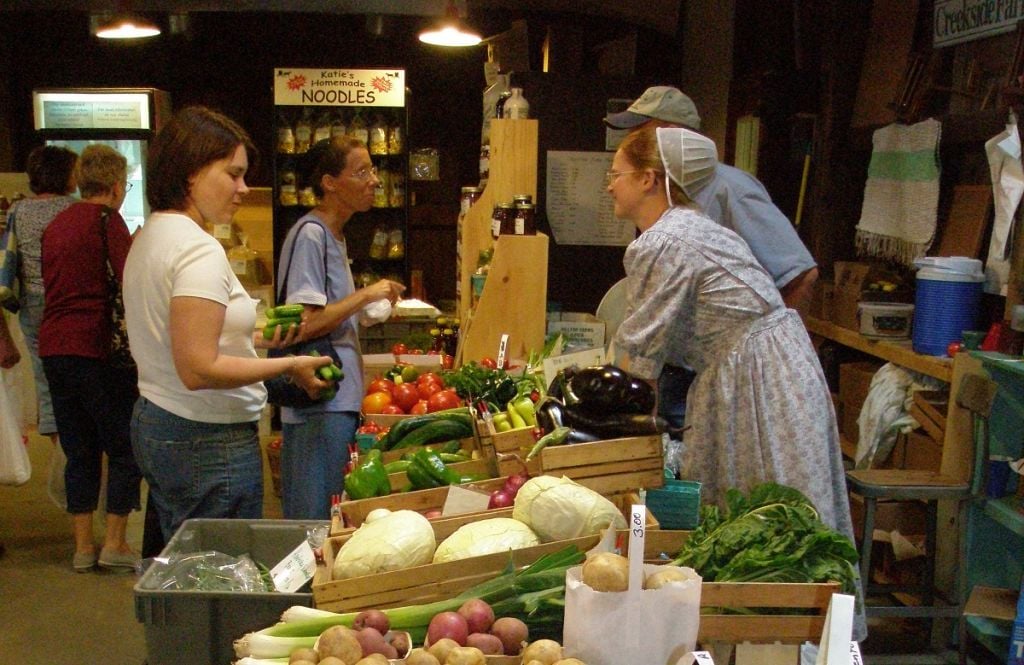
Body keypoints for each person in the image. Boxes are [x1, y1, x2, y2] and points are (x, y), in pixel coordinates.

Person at [608, 126, 854, 546]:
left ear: (649, 178)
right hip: (764, 366)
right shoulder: (687, 227)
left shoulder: (665, 240)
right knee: (767, 511)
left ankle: (782, 610)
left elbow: (641, 353)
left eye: (616, 174)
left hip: (758, 378)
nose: (610, 186)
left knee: (776, 511)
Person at [124, 106, 332, 542]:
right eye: (232, 174)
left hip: (164, 422)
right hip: (207, 439)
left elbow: (176, 332)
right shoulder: (198, 249)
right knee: (218, 574)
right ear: (190, 174)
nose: (243, 189)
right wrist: (289, 364)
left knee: (183, 565)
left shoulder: (153, 235)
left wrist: (251, 337)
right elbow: (199, 368)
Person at [605, 86, 820, 430]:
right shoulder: (673, 210)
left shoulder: (728, 188)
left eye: (642, 132)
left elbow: (799, 273)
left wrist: (764, 351)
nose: (633, 140)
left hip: (735, 371)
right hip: (697, 366)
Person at [276, 137, 404, 519]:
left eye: (373, 170)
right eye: (361, 172)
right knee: (315, 519)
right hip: (320, 403)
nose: (375, 181)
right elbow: (305, 323)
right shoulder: (312, 235)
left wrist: (365, 310)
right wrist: (366, 295)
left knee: (327, 512)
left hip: (335, 401)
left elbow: (329, 314)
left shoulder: (332, 235)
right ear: (330, 182)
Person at [38, 144, 142, 572]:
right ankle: (114, 542)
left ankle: (82, 547)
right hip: (95, 348)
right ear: (117, 186)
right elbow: (128, 278)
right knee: (122, 446)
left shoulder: (57, 223)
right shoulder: (107, 221)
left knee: (78, 450)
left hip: (53, 347)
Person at [7, 145, 78, 504]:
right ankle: (78, 451)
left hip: (32, 304)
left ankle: (59, 447)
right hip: (68, 300)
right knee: (76, 374)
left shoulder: (18, 210)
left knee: (46, 379)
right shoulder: (73, 209)